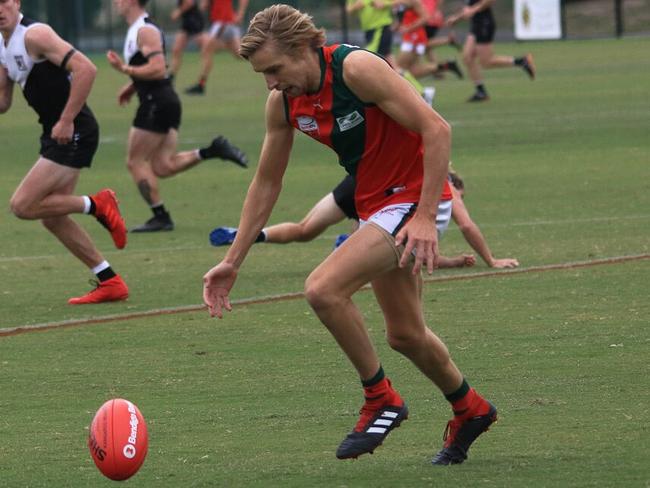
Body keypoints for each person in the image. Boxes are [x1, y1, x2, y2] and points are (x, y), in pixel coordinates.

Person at [203, 4, 496, 465]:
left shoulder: (356, 68)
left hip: (416, 198)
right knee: (406, 335)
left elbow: (437, 130)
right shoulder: (283, 103)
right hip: (375, 206)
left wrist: (423, 218)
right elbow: (266, 182)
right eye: (263, 74)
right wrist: (233, 260)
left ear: (303, 48)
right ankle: (471, 408)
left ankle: (381, 398)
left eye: (275, 69)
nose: (271, 82)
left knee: (323, 289)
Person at [0, 0, 129, 305]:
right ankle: (110, 281)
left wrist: (67, 119)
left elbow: (86, 68)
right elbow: (3, 103)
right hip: (54, 132)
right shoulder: (2, 45)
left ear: (17, 2)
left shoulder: (35, 34)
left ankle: (97, 204)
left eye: (4, 1)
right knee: (53, 217)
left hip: (75, 130)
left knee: (22, 205)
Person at [107, 0, 248, 232]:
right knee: (163, 166)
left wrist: (125, 70)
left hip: (156, 103)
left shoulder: (145, 30)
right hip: (164, 101)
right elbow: (151, 67)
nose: (116, 3)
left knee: (135, 161)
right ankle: (212, 150)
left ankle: (161, 217)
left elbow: (158, 68)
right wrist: (132, 85)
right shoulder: (139, 29)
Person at [210, 171, 516, 269]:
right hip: (385, 197)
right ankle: (351, 242)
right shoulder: (444, 187)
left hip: (360, 179)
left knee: (304, 229)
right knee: (382, 243)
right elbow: (465, 225)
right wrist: (490, 259)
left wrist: (452, 262)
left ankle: (250, 234)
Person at [445, 0, 535, 102]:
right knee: (467, 57)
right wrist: (456, 18)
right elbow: (469, 7)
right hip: (476, 24)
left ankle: (522, 61)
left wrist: (473, 10)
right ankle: (481, 92)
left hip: (484, 23)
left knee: (486, 62)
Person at [185, 0, 249, 95]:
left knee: (206, 50)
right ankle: (261, 55)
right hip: (224, 22)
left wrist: (240, 14)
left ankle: (201, 85)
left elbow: (204, 6)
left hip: (223, 22)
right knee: (240, 54)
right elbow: (205, 5)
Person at [395, 0, 464, 83]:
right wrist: (396, 26)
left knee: (398, 70)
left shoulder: (413, 1)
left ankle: (423, 93)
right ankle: (445, 66)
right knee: (410, 71)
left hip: (414, 39)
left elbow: (425, 17)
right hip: (410, 38)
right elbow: (405, 16)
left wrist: (409, 28)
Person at [169, 0, 209, 81]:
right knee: (176, 50)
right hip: (186, 25)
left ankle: (201, 82)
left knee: (206, 51)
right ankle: (171, 76)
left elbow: (189, 3)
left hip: (196, 24)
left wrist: (178, 12)